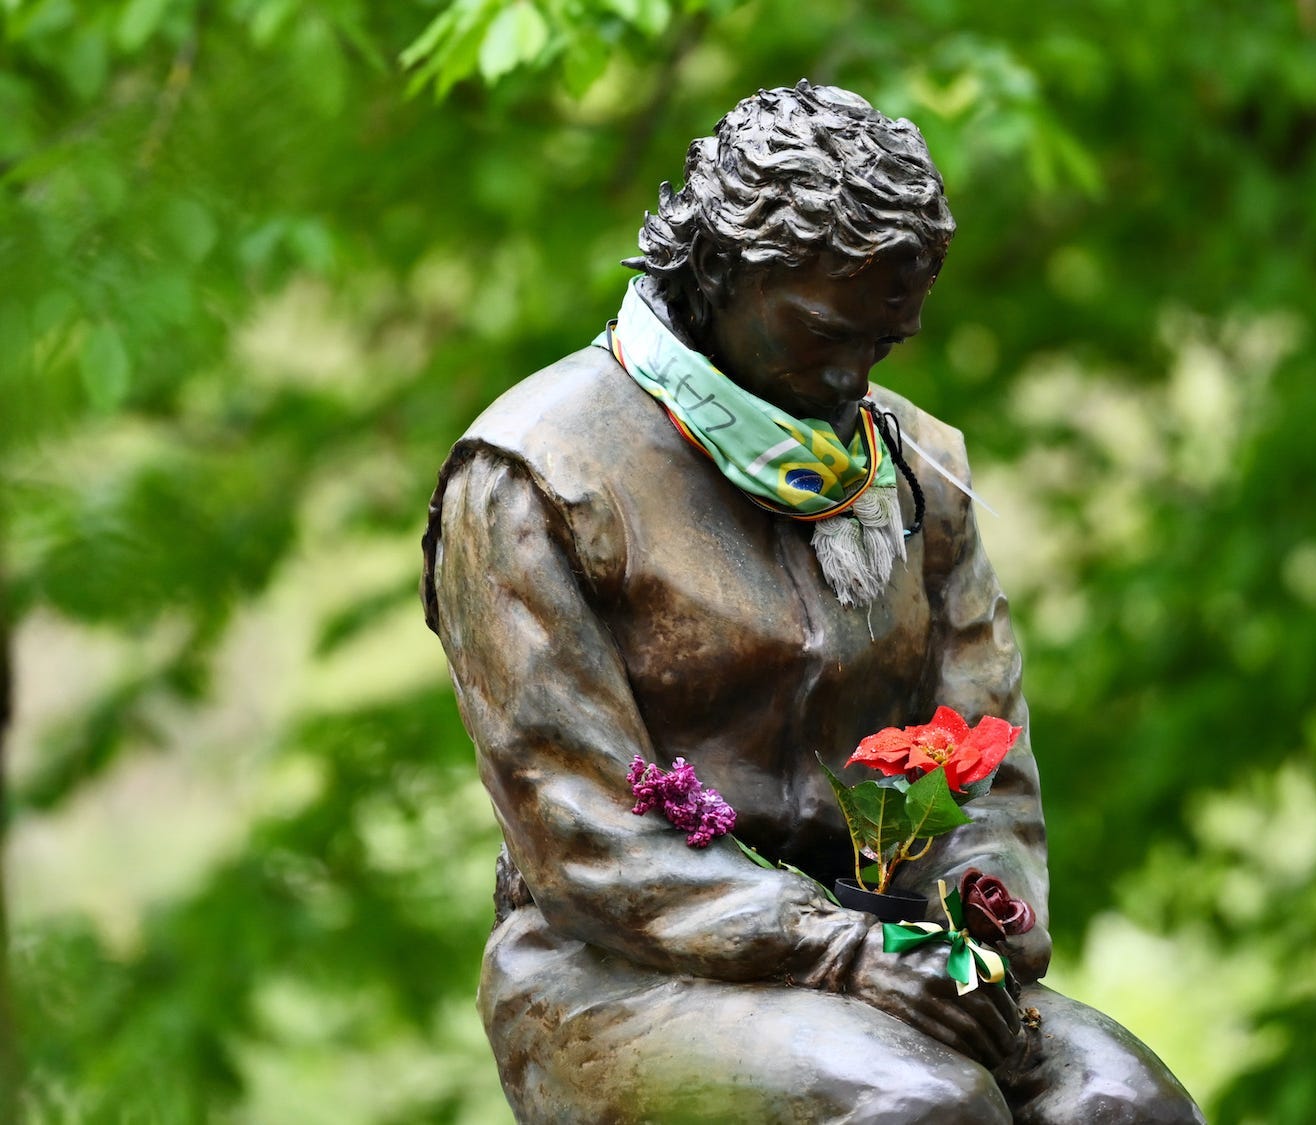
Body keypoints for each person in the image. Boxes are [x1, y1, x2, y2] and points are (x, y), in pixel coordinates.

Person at [422, 80, 1204, 1124]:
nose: (853, 377)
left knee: (1125, 1105)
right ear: (721, 271)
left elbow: (986, 754)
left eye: (884, 344)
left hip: (903, 947)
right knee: (918, 1111)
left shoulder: (917, 465)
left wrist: (970, 942)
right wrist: (842, 951)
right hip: (623, 973)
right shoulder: (535, 475)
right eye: (829, 332)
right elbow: (583, 833)